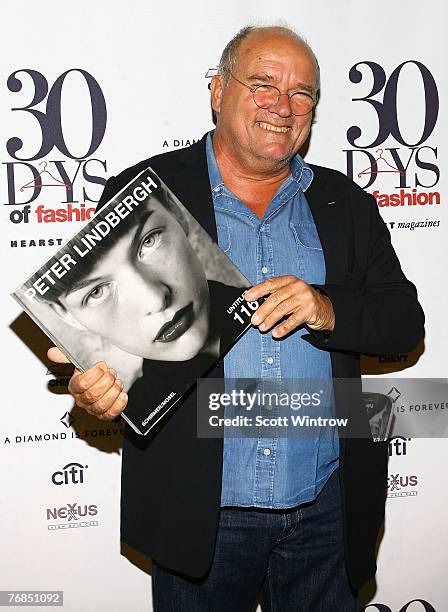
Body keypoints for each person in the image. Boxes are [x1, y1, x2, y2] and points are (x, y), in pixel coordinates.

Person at [48, 25, 425, 611]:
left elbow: (405, 322)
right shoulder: (147, 194)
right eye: (264, 84)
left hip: (328, 507)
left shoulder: (344, 203)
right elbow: (105, 347)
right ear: (218, 90)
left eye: (303, 94)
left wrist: (328, 308)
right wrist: (93, 384)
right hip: (202, 514)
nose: (284, 106)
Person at [26, 172, 247, 430]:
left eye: (149, 240)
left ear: (176, 213)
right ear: (66, 314)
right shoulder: (137, 409)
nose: (155, 299)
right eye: (96, 292)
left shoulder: (284, 310)